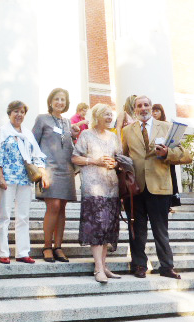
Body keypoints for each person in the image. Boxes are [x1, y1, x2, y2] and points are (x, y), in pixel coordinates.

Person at [122, 95, 190, 280]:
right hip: (135, 188)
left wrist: (168, 152)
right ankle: (139, 265)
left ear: (151, 108)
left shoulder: (166, 127)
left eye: (146, 105)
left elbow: (185, 155)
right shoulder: (127, 131)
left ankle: (167, 267)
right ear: (134, 109)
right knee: (137, 230)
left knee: (161, 230)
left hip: (159, 187)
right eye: (139, 106)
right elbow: (123, 155)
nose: (143, 108)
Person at [71, 104, 122, 283]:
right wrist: (96, 161)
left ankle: (104, 266)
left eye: (111, 114)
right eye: (106, 114)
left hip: (111, 186)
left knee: (107, 227)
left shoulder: (114, 136)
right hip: (93, 186)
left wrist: (114, 164)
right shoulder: (86, 134)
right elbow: (75, 157)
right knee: (97, 226)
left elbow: (119, 159)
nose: (110, 117)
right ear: (98, 116)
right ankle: (98, 268)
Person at [0, 101, 47, 264]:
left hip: (25, 180)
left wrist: (42, 172)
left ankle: (22, 252)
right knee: (3, 216)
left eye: (22, 112)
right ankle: (2, 252)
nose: (19, 115)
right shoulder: (2, 132)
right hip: (7, 179)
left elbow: (37, 154)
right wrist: (0, 176)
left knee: (23, 216)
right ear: (9, 113)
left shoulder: (28, 133)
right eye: (16, 111)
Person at [32, 88, 79, 263]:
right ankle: (47, 246)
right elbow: (33, 144)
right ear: (50, 101)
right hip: (49, 169)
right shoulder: (42, 119)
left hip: (66, 169)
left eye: (63, 99)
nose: (60, 102)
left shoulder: (67, 123)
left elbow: (69, 145)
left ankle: (58, 247)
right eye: (57, 99)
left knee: (62, 209)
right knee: (53, 206)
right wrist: (39, 168)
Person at [151, 104, 182, 208]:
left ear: (161, 112)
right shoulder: (150, 127)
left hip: (167, 155)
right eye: (153, 111)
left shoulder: (167, 125)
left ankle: (170, 203)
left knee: (171, 178)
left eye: (157, 111)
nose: (154, 113)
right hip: (156, 158)